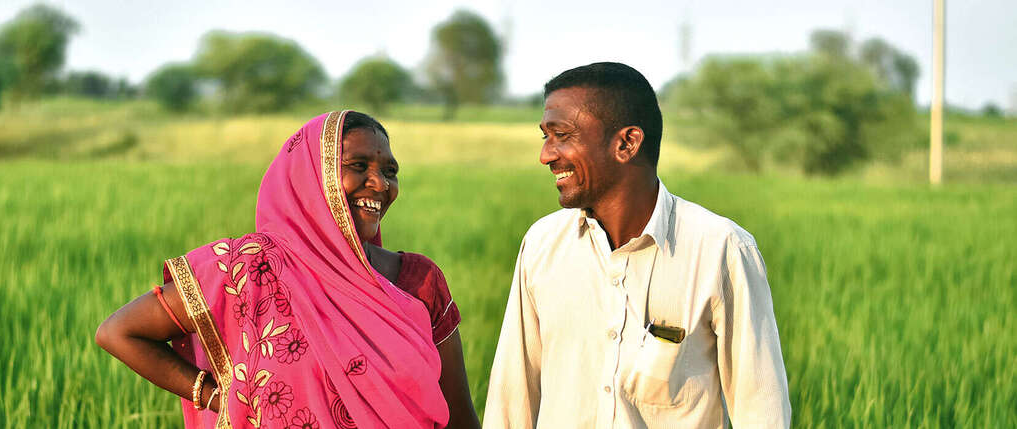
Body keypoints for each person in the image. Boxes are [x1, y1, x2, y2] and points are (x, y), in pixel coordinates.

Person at [96, 111, 481, 429]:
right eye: (358, 166)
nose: (380, 184)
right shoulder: (246, 268)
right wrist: (214, 395)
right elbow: (119, 332)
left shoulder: (419, 281)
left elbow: (460, 419)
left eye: (390, 171)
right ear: (311, 178)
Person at [482, 62, 791, 428]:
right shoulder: (542, 244)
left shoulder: (721, 249)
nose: (546, 154)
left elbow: (762, 411)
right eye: (545, 136)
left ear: (627, 143)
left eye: (562, 135)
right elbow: (511, 399)